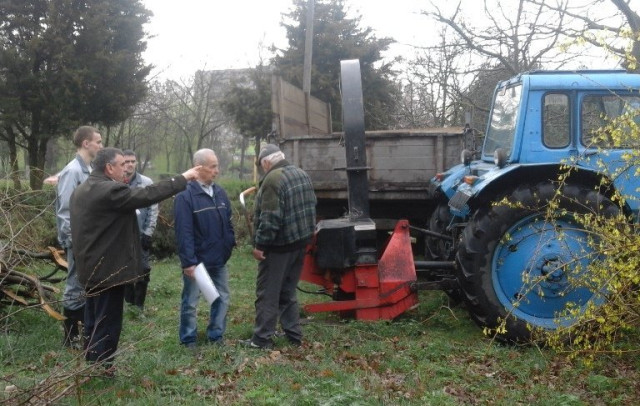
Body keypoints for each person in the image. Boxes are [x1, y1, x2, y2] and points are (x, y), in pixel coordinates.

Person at [70, 147, 201, 368]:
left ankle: (92, 362)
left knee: (93, 318)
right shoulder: (110, 190)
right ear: (109, 167)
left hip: (89, 268)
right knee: (107, 322)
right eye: (122, 164)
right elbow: (147, 194)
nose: (127, 169)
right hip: (108, 271)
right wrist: (183, 178)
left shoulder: (82, 189)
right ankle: (102, 368)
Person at [244, 144, 316, 349]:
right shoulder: (301, 173)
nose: (262, 170)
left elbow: (270, 218)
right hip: (300, 244)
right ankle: (294, 336)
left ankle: (261, 339)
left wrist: (260, 245)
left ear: (266, 162)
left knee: (268, 293)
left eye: (262, 166)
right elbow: (312, 205)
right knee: (287, 292)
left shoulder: (273, 179)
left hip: (279, 247)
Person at [174, 149, 236, 349]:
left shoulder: (220, 192)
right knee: (191, 301)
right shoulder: (185, 196)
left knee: (222, 297)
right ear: (199, 168)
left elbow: (228, 222)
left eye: (217, 166)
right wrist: (188, 262)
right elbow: (184, 232)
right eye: (213, 167)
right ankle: (188, 339)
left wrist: (229, 244)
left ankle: (216, 335)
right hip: (197, 261)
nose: (217, 170)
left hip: (219, 258)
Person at [56, 125, 103, 348]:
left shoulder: (90, 170)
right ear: (86, 143)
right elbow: (65, 210)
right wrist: (72, 242)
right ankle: (71, 337)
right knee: (75, 284)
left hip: (89, 240)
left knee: (85, 284)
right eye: (98, 142)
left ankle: (83, 332)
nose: (101, 146)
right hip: (78, 241)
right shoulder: (72, 171)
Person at [122, 150, 159, 313]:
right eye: (126, 161)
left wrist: (148, 232)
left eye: (133, 161)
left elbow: (153, 208)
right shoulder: (116, 182)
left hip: (141, 235)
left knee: (143, 269)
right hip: (121, 238)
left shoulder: (146, 182)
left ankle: (139, 307)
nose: (130, 164)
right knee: (124, 271)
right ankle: (128, 305)